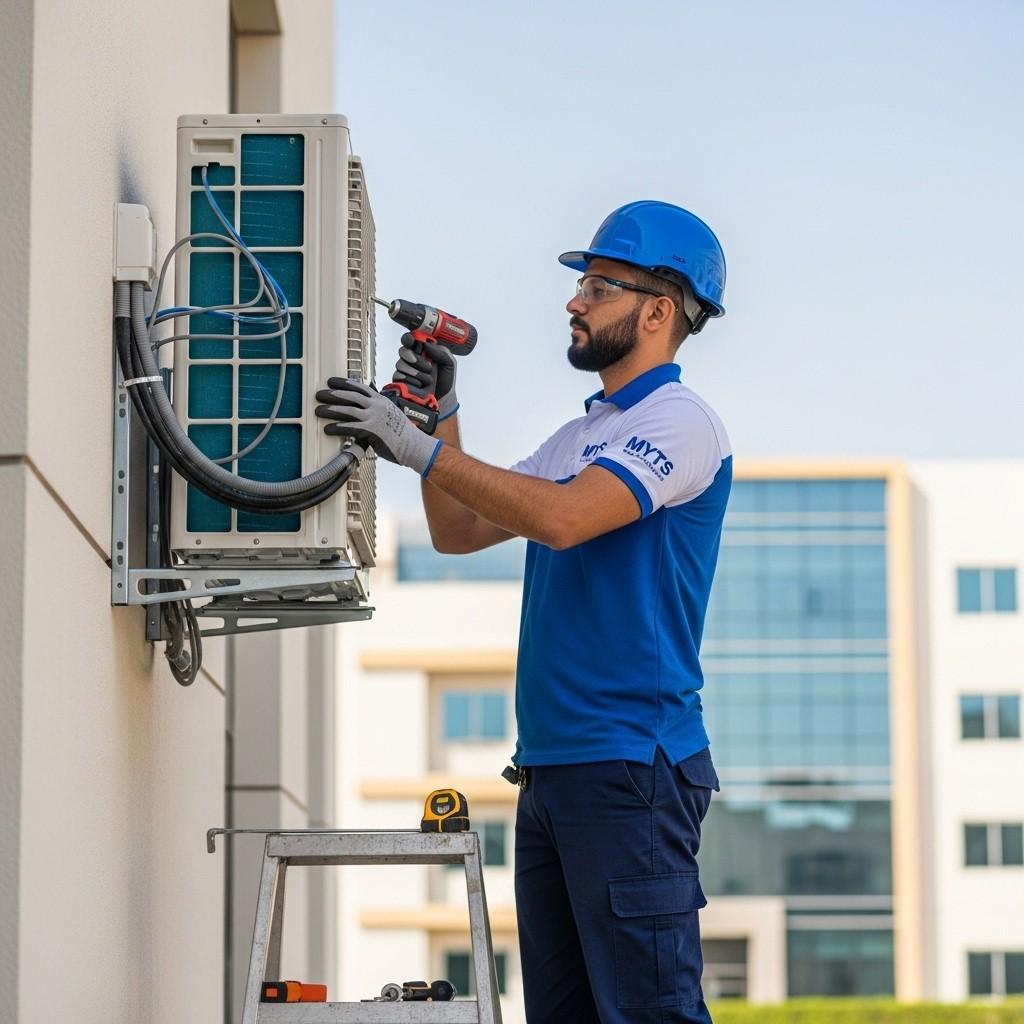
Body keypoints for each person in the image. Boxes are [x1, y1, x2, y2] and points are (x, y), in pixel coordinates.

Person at [316, 201, 732, 1023]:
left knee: (651, 1014)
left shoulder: (680, 424)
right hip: (557, 772)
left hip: (631, 769)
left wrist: (413, 444)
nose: (574, 303)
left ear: (658, 310)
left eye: (598, 286)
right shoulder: (585, 435)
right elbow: (458, 530)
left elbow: (565, 519)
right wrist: (441, 417)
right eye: (581, 286)